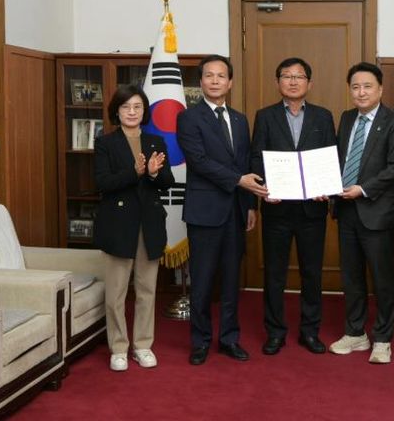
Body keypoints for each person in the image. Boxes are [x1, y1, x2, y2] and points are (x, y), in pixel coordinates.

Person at [177, 55, 268, 366]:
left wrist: (250, 205)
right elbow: (199, 162)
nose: (215, 81)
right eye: (209, 75)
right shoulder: (188, 118)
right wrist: (238, 181)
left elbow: (245, 163)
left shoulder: (240, 120)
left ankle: (229, 338)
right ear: (201, 81)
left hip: (236, 211)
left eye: (221, 76)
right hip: (204, 211)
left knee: (231, 281)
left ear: (230, 82)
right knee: (202, 281)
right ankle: (200, 341)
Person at [251, 58, 336, 355]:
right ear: (278, 83)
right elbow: (257, 157)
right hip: (277, 209)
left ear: (309, 83)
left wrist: (326, 188)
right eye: (286, 76)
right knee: (274, 274)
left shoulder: (323, 117)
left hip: (312, 211)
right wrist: (264, 190)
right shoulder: (265, 116)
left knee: (312, 273)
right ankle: (275, 332)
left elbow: (330, 157)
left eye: (299, 76)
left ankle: (310, 332)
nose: (293, 81)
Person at [328, 62, 394, 364]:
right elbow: (339, 159)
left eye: (367, 86)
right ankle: (355, 333)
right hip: (346, 210)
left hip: (376, 211)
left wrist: (362, 189)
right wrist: (327, 185)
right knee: (351, 277)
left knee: (382, 278)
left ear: (380, 89)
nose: (361, 92)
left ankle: (383, 338)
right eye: (355, 87)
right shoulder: (347, 118)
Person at [94, 84, 175, 371]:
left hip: (149, 225)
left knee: (147, 290)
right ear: (116, 111)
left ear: (144, 111)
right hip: (118, 225)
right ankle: (118, 348)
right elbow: (103, 183)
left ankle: (142, 345)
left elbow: (167, 182)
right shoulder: (105, 143)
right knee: (116, 293)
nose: (132, 112)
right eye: (126, 107)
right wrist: (135, 172)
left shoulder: (156, 141)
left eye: (137, 107)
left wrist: (152, 174)